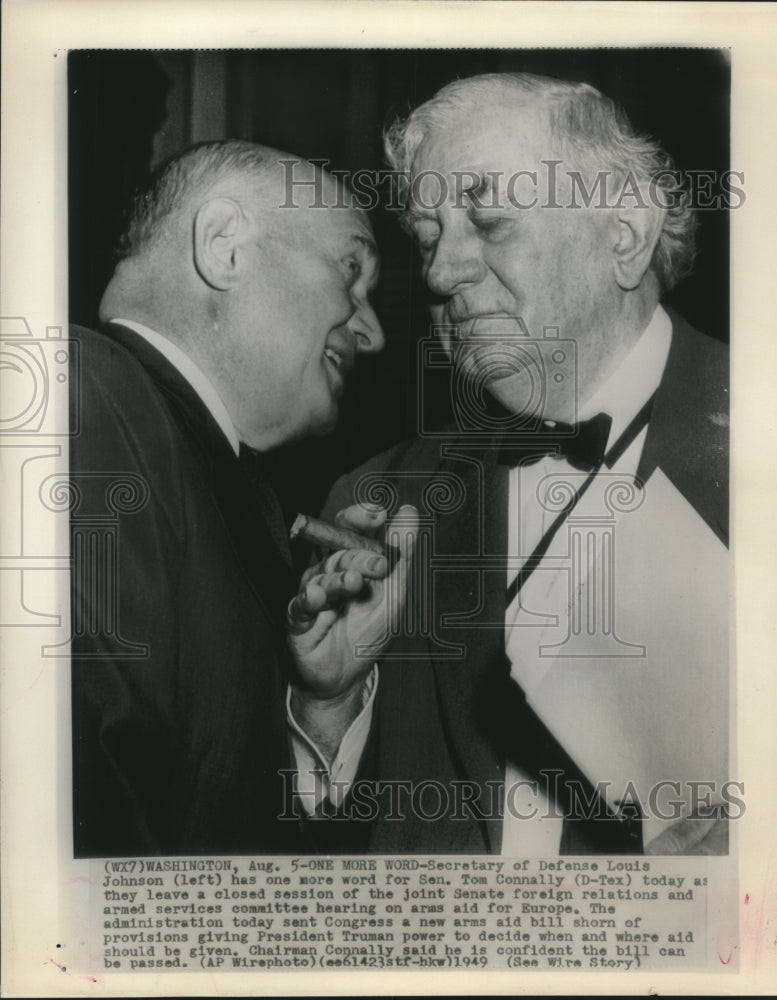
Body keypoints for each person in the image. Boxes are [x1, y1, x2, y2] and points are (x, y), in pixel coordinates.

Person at [290, 73, 730, 855]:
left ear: (624, 233)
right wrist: (331, 704)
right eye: (428, 236)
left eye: (488, 219)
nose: (439, 272)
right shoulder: (375, 502)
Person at [69, 139, 419, 856]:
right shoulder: (85, 395)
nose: (371, 330)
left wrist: (321, 707)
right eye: (350, 271)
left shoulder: (212, 471)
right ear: (224, 246)